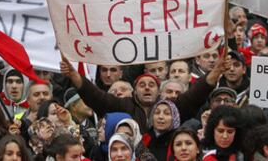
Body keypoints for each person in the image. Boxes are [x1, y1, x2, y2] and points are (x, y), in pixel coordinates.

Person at [60, 54, 231, 134]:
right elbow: (95, 96)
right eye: (142, 85)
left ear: (159, 91)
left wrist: (216, 71)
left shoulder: (171, 107)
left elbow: (196, 94)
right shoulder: (123, 105)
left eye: (151, 85)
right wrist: (73, 74)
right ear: (134, 90)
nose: (147, 88)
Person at [63, 87, 97, 154]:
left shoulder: (93, 122)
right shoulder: (68, 126)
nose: (91, 104)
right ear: (73, 106)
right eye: (86, 101)